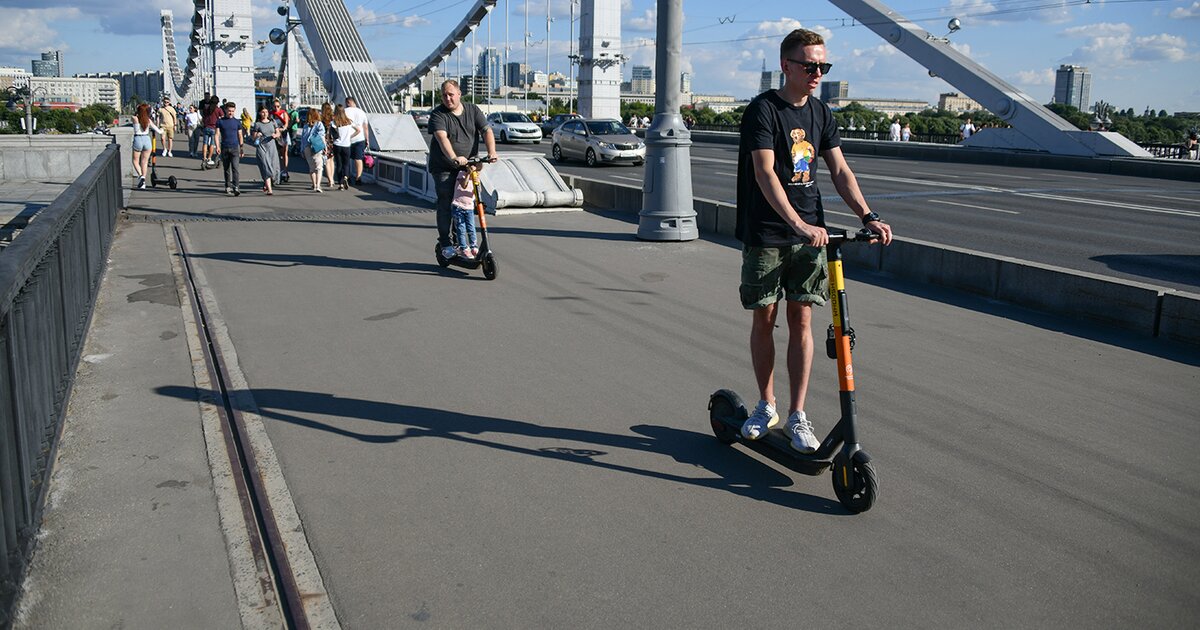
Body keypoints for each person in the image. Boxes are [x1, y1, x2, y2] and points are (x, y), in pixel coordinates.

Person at [735, 28, 893, 452]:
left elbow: (840, 171)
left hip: (811, 235)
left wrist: (868, 215)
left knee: (802, 321)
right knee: (765, 318)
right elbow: (765, 173)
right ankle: (765, 405)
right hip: (768, 233)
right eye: (809, 65)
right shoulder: (763, 111)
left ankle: (797, 414)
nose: (817, 72)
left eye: (823, 65)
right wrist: (797, 225)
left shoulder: (821, 113)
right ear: (786, 65)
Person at [427, 79, 497, 260]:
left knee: (465, 205)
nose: (447, 98)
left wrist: (491, 152)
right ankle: (445, 243)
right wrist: (453, 157)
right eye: (444, 95)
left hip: (468, 167)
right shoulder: (438, 114)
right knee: (446, 202)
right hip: (444, 167)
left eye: (451, 94)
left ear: (459, 94)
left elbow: (487, 131)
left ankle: (462, 243)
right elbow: (442, 138)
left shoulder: (472, 110)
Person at [130, 103, 164, 189]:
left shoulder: (135, 118)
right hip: (147, 139)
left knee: (135, 160)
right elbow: (159, 131)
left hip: (138, 139)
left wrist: (138, 111)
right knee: (144, 162)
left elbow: (134, 115)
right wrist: (162, 129)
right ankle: (143, 181)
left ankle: (140, 176)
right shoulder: (148, 120)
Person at [450, 163, 481, 258]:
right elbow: (464, 185)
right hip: (458, 206)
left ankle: (473, 246)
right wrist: (468, 174)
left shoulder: (476, 178)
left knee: (471, 228)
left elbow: (478, 192)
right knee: (461, 229)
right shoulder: (461, 174)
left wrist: (477, 182)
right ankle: (463, 248)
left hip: (469, 208)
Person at [214, 101, 244, 196]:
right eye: (229, 111)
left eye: (232, 111)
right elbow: (217, 134)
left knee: (235, 168)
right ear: (225, 110)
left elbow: (240, 135)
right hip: (224, 148)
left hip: (235, 148)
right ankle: (227, 186)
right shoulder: (220, 121)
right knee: (226, 169)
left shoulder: (237, 122)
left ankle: (236, 187)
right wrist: (217, 146)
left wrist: (242, 148)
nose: (231, 113)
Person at [250, 107, 281, 195]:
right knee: (266, 167)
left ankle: (266, 184)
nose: (265, 114)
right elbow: (253, 137)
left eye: (266, 112)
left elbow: (278, 132)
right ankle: (270, 189)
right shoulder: (257, 124)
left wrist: (276, 135)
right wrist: (257, 135)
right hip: (262, 147)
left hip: (272, 147)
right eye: (263, 112)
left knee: (274, 168)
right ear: (260, 113)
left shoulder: (273, 122)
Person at [330, 104, 360, 190]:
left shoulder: (334, 122)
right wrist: (350, 136)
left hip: (337, 145)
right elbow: (358, 130)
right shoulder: (349, 121)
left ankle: (340, 184)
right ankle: (346, 177)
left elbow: (331, 135)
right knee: (346, 164)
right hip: (347, 145)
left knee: (339, 164)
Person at [299, 109, 327, 193]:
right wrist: (325, 147)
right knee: (319, 167)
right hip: (316, 146)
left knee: (311, 168)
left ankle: (314, 184)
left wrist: (302, 149)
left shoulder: (306, 125)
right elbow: (322, 136)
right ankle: (318, 185)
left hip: (307, 147)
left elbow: (303, 138)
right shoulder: (319, 124)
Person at [343, 96, 369, 185]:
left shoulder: (344, 111)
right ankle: (358, 178)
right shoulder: (362, 112)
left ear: (348, 102)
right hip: (360, 138)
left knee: (347, 159)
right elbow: (365, 127)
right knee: (358, 159)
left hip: (347, 139)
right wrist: (367, 139)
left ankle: (348, 177)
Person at [269, 99, 291, 181]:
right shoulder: (270, 114)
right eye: (274, 106)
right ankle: (276, 172)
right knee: (275, 154)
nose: (276, 108)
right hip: (275, 135)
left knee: (284, 153)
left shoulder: (283, 113)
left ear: (280, 106)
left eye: (277, 106)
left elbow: (286, 124)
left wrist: (282, 129)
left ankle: (285, 171)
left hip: (283, 135)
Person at [320, 102, 337, 189]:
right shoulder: (333, 118)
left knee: (326, 161)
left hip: (325, 142)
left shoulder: (321, 119)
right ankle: (332, 180)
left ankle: (330, 180)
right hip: (332, 141)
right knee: (331, 161)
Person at [201, 94, 220, 167]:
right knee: (212, 144)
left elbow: (203, 116)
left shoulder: (206, 108)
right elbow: (221, 117)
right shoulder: (218, 109)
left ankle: (204, 158)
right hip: (214, 128)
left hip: (206, 127)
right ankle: (209, 158)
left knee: (205, 143)